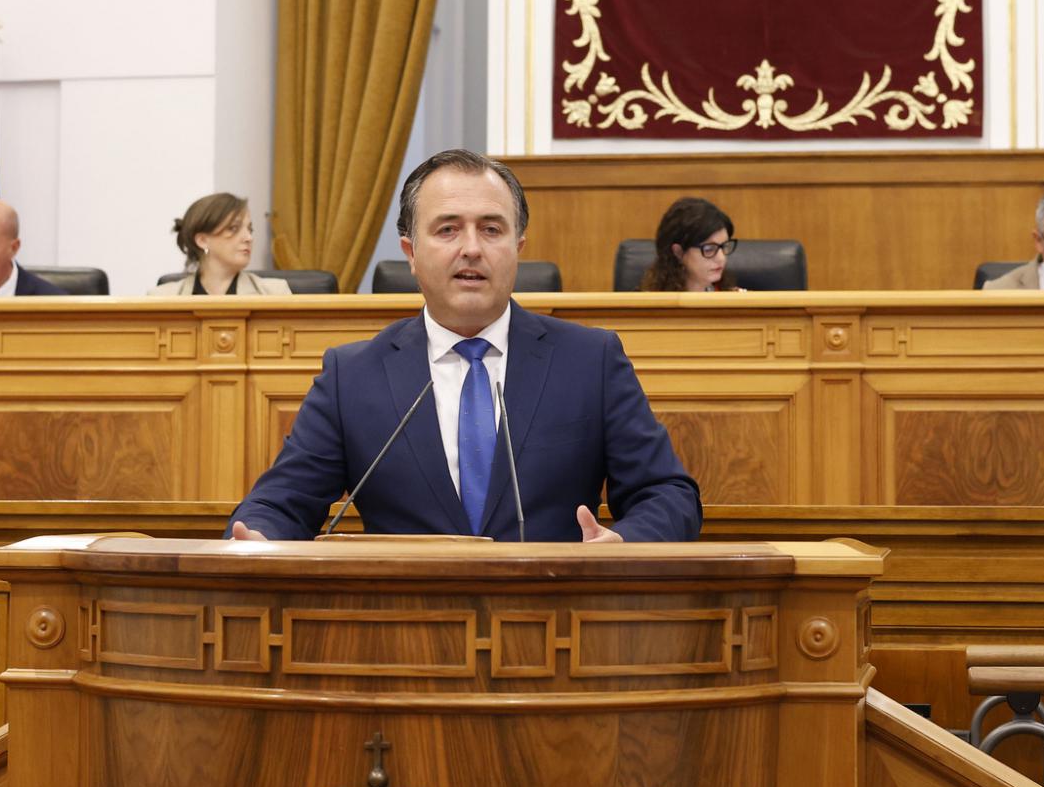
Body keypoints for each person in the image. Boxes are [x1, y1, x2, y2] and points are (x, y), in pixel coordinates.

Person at [228, 149, 701, 543]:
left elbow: (668, 494)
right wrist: (257, 539)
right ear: (411, 253)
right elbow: (279, 504)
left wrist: (622, 545)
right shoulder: (352, 375)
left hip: (550, 612)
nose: (471, 248)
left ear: (518, 247)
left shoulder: (589, 360)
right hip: (405, 618)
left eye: (492, 229)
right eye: (447, 229)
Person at [150, 192, 293, 296]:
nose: (249, 238)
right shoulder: (161, 298)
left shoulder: (276, 293)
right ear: (202, 240)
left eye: (250, 229)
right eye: (233, 228)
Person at [638, 196, 740, 292]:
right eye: (709, 249)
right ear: (678, 252)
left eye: (724, 246)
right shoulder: (648, 302)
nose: (721, 258)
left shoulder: (735, 299)